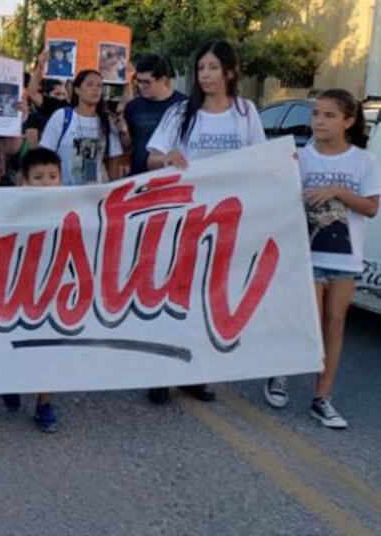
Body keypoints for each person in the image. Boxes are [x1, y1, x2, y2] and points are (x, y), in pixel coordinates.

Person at [144, 39, 265, 404]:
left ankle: (194, 373)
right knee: (176, 295)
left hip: (228, 221)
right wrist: (166, 160)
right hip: (187, 219)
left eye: (213, 68)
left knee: (208, 299)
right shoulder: (181, 114)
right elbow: (151, 158)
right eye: (201, 68)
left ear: (230, 71)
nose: (206, 75)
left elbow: (262, 161)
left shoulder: (246, 112)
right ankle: (161, 372)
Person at [263, 89, 380, 429]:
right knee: (307, 321)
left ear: (348, 121)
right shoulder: (300, 158)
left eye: (329, 115)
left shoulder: (363, 161)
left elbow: (371, 208)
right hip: (307, 253)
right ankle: (281, 373)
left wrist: (339, 192)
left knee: (334, 323)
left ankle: (322, 397)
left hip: (345, 258)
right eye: (316, 114)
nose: (319, 121)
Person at [0, 147, 64, 431]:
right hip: (17, 289)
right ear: (23, 181)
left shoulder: (73, 208)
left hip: (55, 289)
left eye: (53, 176)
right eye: (38, 177)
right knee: (14, 342)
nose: (47, 183)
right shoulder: (11, 209)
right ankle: (12, 381)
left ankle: (44, 403)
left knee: (50, 348)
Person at [38, 69, 128, 185]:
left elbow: (113, 159)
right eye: (90, 84)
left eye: (99, 86)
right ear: (77, 90)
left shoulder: (107, 121)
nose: (95, 89)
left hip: (94, 192)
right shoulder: (62, 117)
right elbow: (45, 153)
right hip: (64, 191)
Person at [123, 55, 185, 176]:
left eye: (147, 82)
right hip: (138, 176)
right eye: (138, 81)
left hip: (170, 175)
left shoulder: (183, 105)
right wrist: (122, 132)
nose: (141, 86)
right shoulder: (132, 107)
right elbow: (127, 146)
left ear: (163, 79)